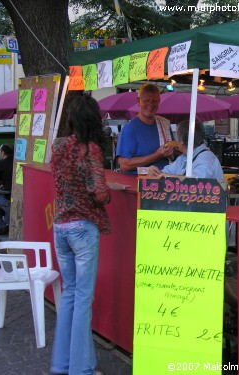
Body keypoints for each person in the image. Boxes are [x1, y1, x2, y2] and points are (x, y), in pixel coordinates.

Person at [50, 96, 122, 375]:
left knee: (69, 296)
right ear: (93, 119)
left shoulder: (58, 146)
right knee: (82, 299)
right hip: (82, 228)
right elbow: (100, 193)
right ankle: (81, 370)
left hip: (60, 227)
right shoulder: (89, 149)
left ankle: (62, 364)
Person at [116, 83, 175, 174]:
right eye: (146, 101)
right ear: (138, 101)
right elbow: (124, 165)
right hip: (138, 185)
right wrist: (156, 155)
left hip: (165, 183)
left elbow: (174, 154)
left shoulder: (164, 124)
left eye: (154, 101)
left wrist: (178, 150)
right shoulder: (129, 129)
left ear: (159, 101)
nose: (150, 104)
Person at [147, 121, 224, 179]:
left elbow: (196, 181)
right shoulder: (183, 157)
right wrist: (155, 171)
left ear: (182, 141)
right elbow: (167, 172)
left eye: (177, 138)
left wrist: (169, 176)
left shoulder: (206, 158)